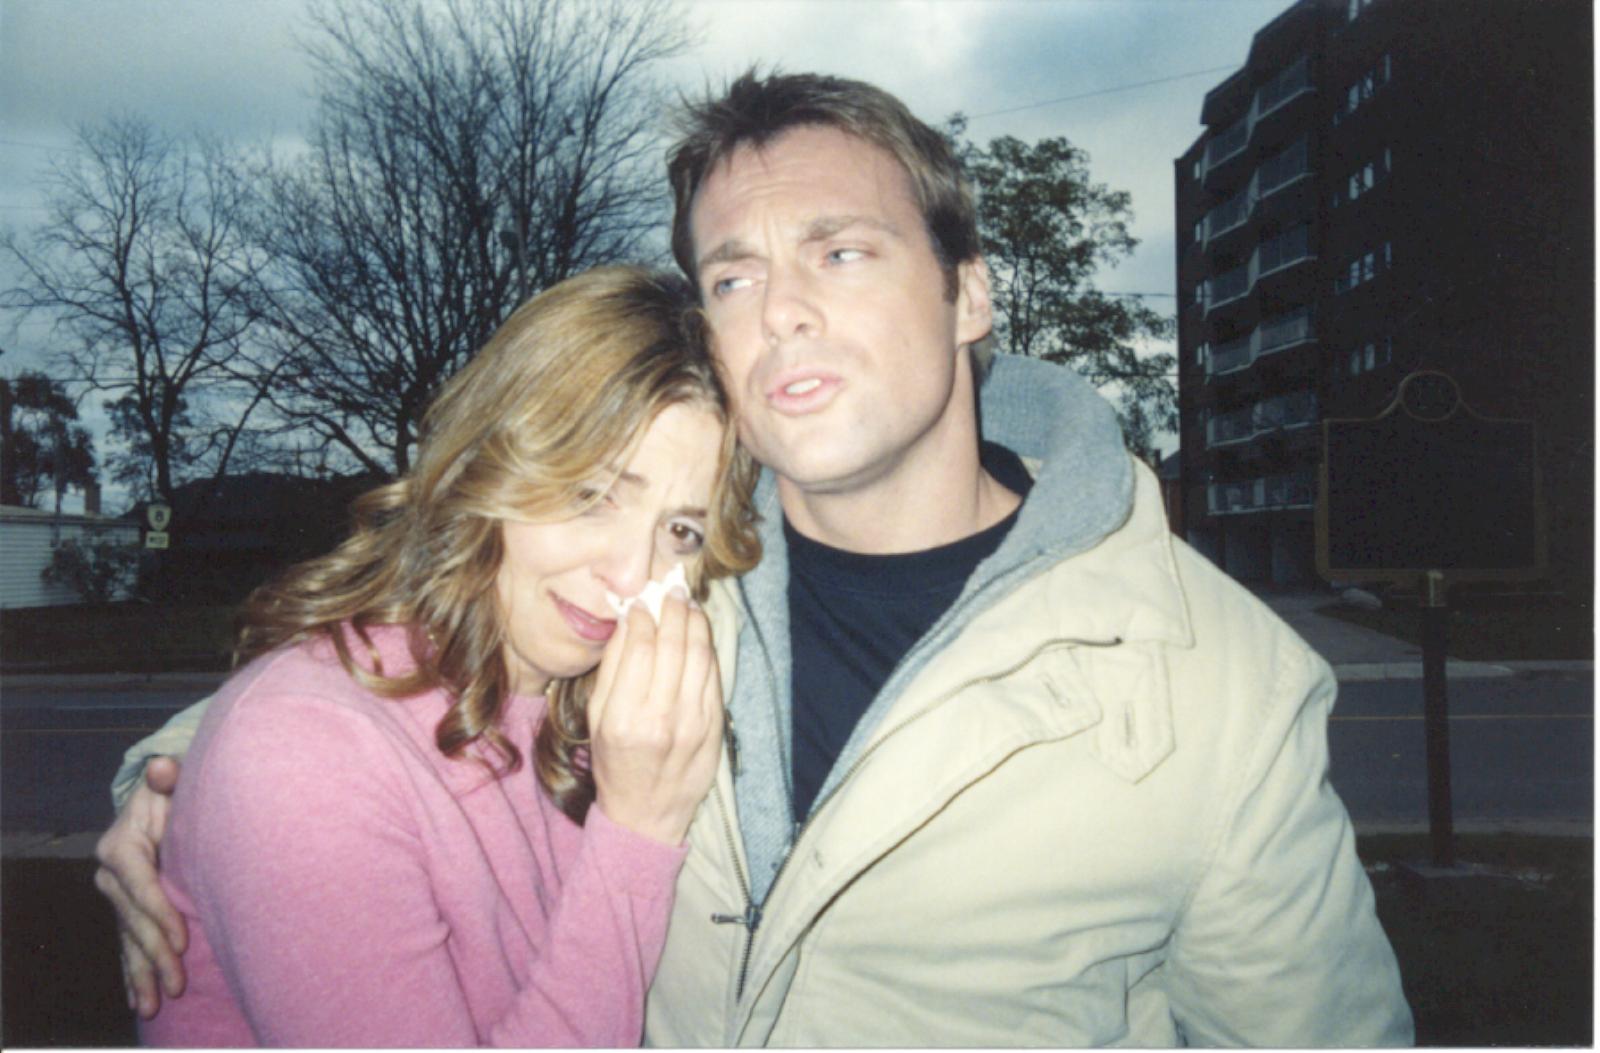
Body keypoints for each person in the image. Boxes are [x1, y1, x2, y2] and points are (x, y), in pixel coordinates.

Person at [99, 73, 1413, 1046]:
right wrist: (173, 788)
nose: (781, 307)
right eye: (732, 277)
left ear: (969, 291)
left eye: (840, 250)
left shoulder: (1222, 681)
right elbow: (407, 699)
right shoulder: (670, 577)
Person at [118, 266, 761, 1046]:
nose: (632, 574)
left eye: (681, 531)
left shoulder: (601, 717)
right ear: (487, 463)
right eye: (592, 494)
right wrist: (639, 828)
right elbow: (289, 740)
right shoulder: (305, 747)